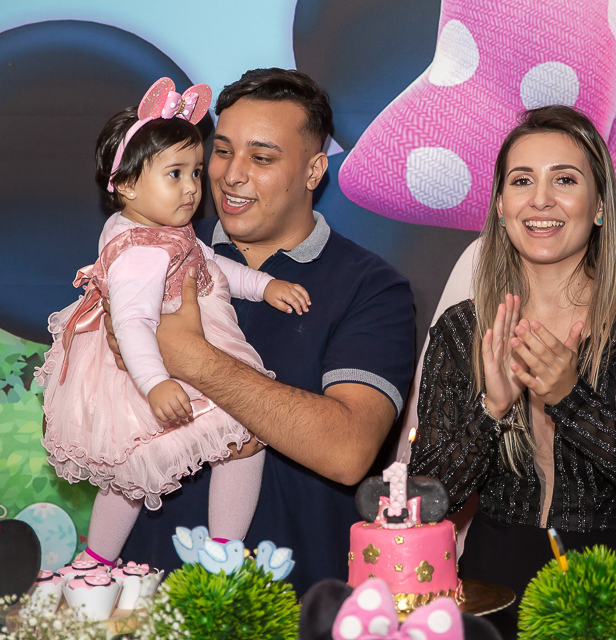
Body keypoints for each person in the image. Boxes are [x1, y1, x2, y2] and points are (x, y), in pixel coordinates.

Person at [408, 105, 616, 637]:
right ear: (501, 206)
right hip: (490, 582)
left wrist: (571, 398)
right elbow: (425, 501)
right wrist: (491, 410)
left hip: (607, 583)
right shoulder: (462, 328)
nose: (540, 199)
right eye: (522, 180)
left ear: (599, 205)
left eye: (564, 179)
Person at [119, 68, 416, 595]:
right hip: (148, 595)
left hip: (291, 603)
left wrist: (193, 358)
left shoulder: (370, 288)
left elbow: (348, 452)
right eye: (223, 151)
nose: (231, 175)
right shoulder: (149, 253)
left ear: (313, 170)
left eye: (261, 158)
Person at [37, 78, 310, 567]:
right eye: (175, 174)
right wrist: (156, 382)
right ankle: (222, 552)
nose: (192, 188)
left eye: (196, 172)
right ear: (126, 185)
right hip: (152, 367)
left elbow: (209, 264)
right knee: (244, 438)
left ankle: (96, 560)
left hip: (159, 360)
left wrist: (263, 285)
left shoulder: (157, 230)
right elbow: (132, 323)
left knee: (132, 468)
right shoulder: (140, 253)